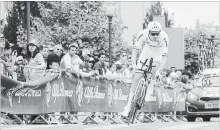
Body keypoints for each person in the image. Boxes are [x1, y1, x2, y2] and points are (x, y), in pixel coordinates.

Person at [122, 21, 169, 116]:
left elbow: (164, 57)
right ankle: (128, 106)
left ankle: (150, 88)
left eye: (157, 33)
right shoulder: (143, 34)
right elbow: (135, 50)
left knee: (154, 69)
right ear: (149, 32)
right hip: (146, 52)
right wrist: (134, 63)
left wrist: (159, 70)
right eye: (153, 33)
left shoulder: (164, 37)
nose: (155, 36)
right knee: (137, 76)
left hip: (158, 54)